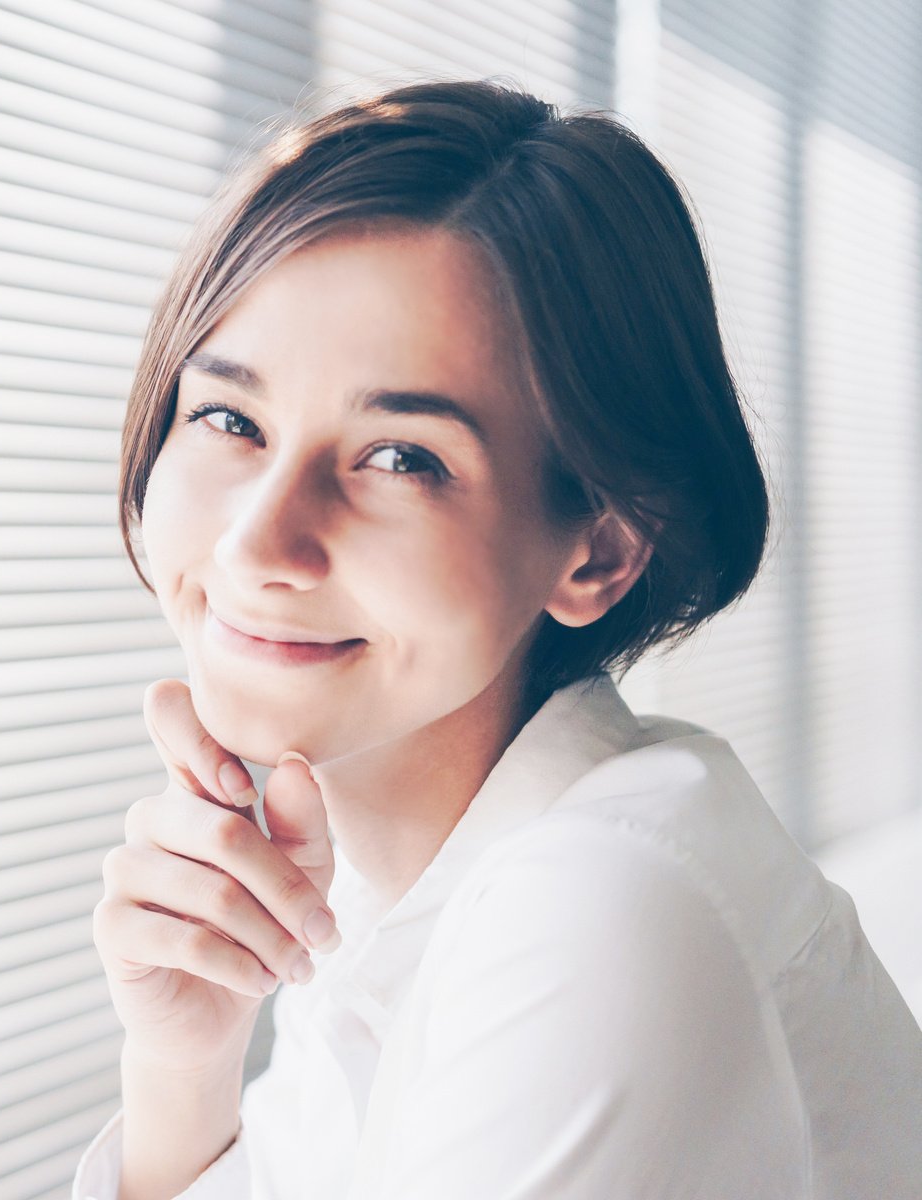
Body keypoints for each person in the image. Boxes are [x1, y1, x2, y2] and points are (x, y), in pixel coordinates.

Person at [73, 79, 922, 1200]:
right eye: (230, 421)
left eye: (400, 459)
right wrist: (185, 1064)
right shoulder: (386, 872)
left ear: (600, 551)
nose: (259, 540)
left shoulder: (596, 911)